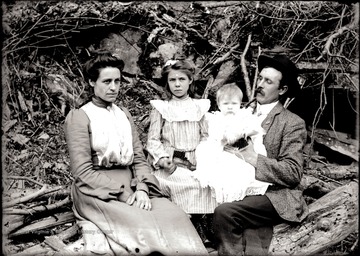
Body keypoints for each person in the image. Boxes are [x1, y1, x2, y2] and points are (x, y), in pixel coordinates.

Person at [64, 52, 208, 256]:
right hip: (97, 190)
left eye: (117, 81)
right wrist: (123, 193)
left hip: (132, 183)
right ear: (91, 82)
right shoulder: (79, 116)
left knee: (175, 216)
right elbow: (82, 171)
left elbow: (139, 158)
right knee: (143, 225)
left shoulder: (123, 113)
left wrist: (141, 188)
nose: (113, 87)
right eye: (106, 81)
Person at [212, 54, 309, 256]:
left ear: (282, 90)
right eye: (261, 78)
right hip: (236, 184)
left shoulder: (292, 123)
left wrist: (253, 158)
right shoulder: (240, 111)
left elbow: (293, 173)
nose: (260, 84)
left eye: (268, 81)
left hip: (275, 194)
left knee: (225, 212)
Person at [193, 83, 271, 204]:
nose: (230, 107)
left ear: (240, 104)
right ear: (219, 105)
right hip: (222, 151)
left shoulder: (244, 116)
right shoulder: (216, 119)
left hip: (242, 153)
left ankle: (238, 199)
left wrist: (245, 132)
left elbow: (256, 130)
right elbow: (217, 137)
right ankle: (224, 200)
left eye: (234, 104)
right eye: (225, 104)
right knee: (219, 169)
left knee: (242, 172)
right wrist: (227, 137)